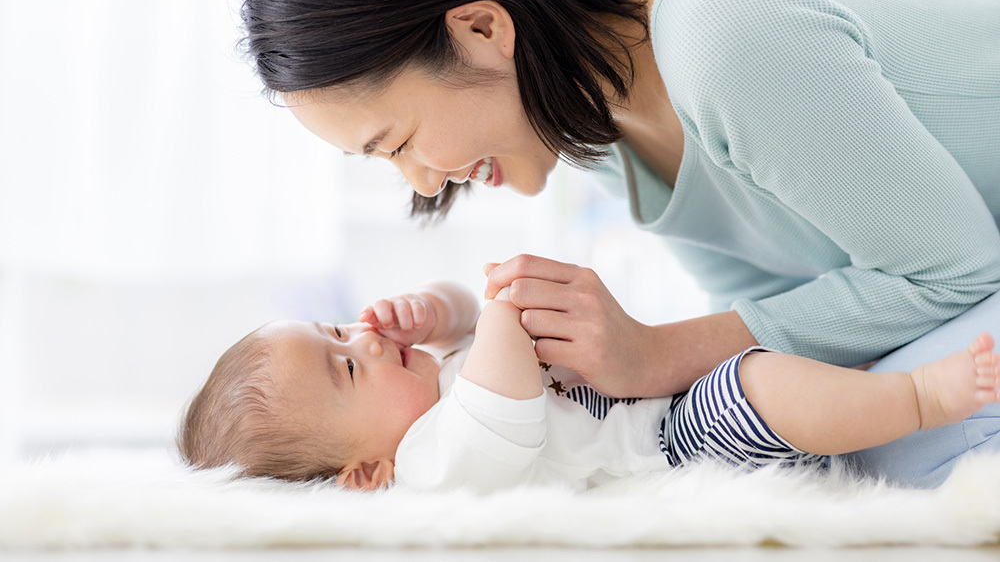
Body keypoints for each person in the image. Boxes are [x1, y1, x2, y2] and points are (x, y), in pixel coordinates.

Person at [235, 0, 1000, 485]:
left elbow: (955, 271)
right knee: (820, 430)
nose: (424, 180)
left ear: (479, 29)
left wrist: (656, 354)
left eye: (398, 142)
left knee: (902, 442)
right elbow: (795, 309)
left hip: (971, 264)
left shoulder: (721, 39)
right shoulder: (601, 131)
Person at [179, 281, 1000, 492]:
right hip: (672, 445)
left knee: (768, 370)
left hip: (660, 397)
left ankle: (851, 393)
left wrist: (439, 307)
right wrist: (499, 303)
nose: (364, 334)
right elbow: (504, 386)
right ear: (363, 471)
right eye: (347, 364)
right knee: (758, 386)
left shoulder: (431, 390)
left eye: (336, 329)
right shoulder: (432, 463)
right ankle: (926, 398)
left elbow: (466, 324)